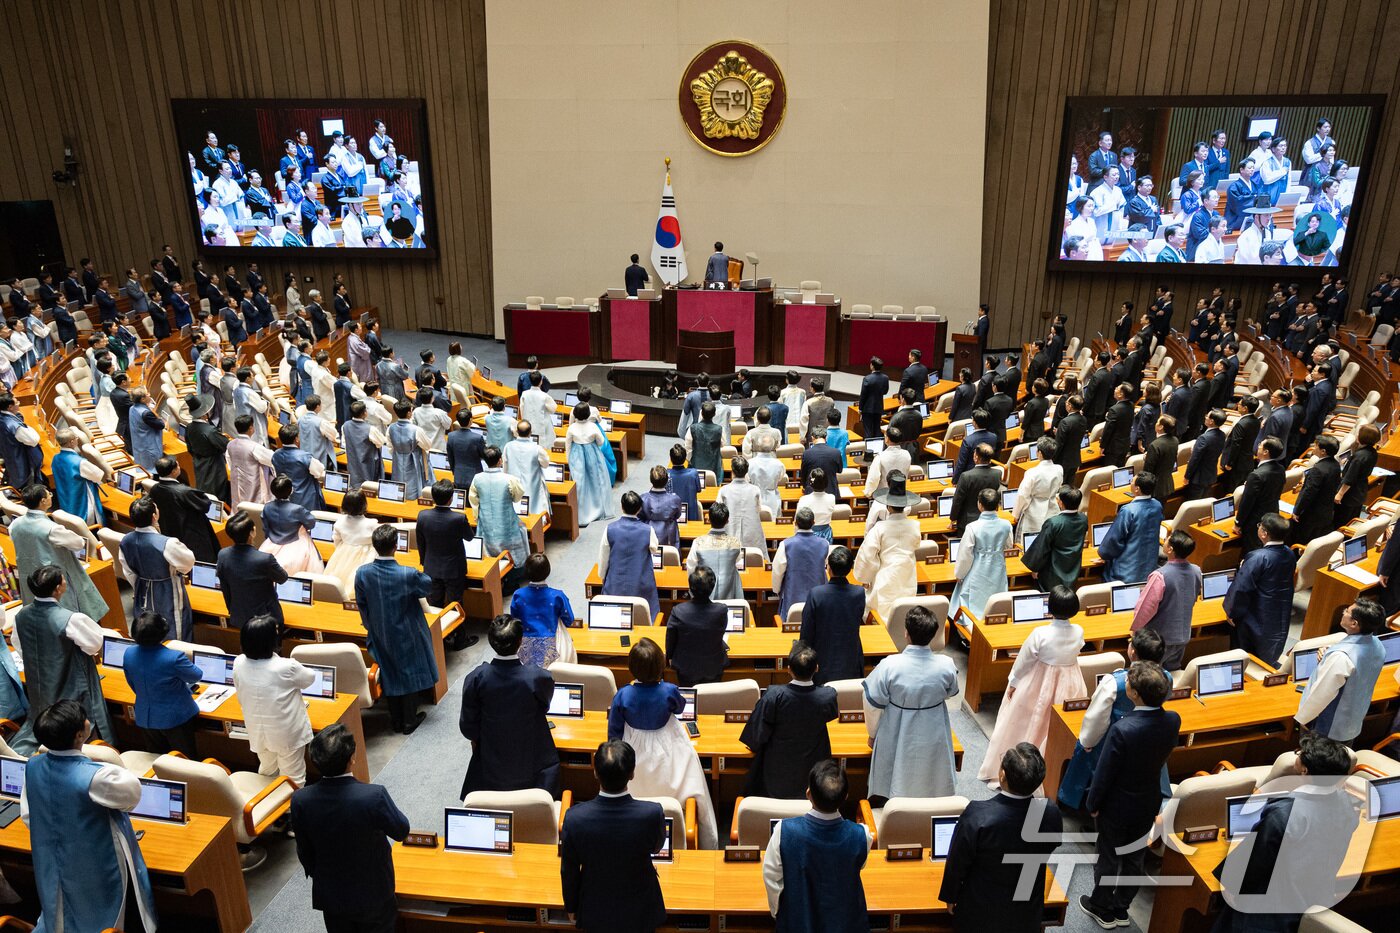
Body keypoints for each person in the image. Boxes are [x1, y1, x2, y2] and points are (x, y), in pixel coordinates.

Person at [21, 699, 157, 933]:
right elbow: (131, 794)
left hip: (51, 859)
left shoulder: (32, 766)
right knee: (104, 918)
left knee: (63, 913)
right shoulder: (96, 777)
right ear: (79, 736)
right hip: (94, 862)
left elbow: (28, 816)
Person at [1081, 662, 1180, 929]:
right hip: (1148, 799)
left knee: (1110, 855)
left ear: (1134, 694)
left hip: (1118, 803)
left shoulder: (1123, 729)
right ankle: (1122, 907)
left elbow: (1104, 773)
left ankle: (1101, 906)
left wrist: (1093, 803)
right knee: (1135, 856)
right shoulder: (1173, 720)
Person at [291, 725, 409, 933]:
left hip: (331, 894)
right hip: (373, 892)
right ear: (352, 758)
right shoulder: (373, 796)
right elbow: (401, 831)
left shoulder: (301, 799)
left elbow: (304, 850)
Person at [607, 638, 719, 847]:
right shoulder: (669, 690)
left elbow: (614, 732)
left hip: (635, 751)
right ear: (661, 665)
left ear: (631, 667)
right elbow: (680, 707)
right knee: (692, 781)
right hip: (669, 748)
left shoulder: (622, 695)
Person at [941, 744, 1064, 933]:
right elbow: (1051, 845)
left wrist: (950, 896)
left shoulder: (979, 814)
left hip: (980, 909)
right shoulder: (1050, 812)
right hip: (1026, 908)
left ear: (1002, 775)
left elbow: (958, 861)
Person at [977, 585, 1085, 784]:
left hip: (1040, 680)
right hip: (1069, 682)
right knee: (1050, 725)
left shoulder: (1040, 633)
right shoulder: (1078, 631)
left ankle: (1019, 765)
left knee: (1026, 719)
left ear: (1049, 608)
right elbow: (1077, 649)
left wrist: (1013, 682)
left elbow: (1023, 661)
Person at [559, 740, 667, 933]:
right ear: (632, 773)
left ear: (595, 772)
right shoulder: (652, 813)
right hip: (641, 908)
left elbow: (569, 870)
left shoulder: (574, 818)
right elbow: (656, 847)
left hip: (595, 908)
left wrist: (572, 907)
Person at [1057, 629, 1167, 812]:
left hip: (1110, 743)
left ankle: (1082, 805)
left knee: (1086, 753)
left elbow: (1096, 720)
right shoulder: (1166, 678)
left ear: (1132, 652)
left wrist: (1087, 741)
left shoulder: (1114, 682)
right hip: (1147, 740)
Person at [763, 759, 870, 933]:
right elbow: (858, 864)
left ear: (808, 793)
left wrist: (779, 913)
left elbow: (772, 877)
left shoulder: (783, 831)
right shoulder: (862, 834)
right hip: (846, 924)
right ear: (846, 797)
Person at [863, 606, 959, 801]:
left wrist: (873, 733)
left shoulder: (889, 665)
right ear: (933, 635)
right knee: (931, 770)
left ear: (906, 633)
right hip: (933, 725)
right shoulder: (947, 664)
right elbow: (950, 692)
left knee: (897, 771)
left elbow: (872, 703)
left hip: (896, 725)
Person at [460, 614, 560, 796]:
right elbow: (545, 706)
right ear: (521, 641)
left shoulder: (476, 678)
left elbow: (468, 728)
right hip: (533, 762)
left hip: (490, 765)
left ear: (490, 641)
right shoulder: (538, 677)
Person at [355, 524, 438, 734]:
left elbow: (362, 603)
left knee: (389, 671)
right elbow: (427, 586)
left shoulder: (362, 573)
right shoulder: (407, 574)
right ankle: (409, 721)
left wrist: (371, 626)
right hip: (407, 630)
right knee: (408, 672)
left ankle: (396, 720)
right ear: (396, 546)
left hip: (379, 631)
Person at [739, 643, 838, 798]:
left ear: (789, 669)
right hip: (815, 779)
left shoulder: (773, 696)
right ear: (816, 668)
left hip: (775, 780)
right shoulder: (828, 697)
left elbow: (754, 739)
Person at [233, 614, 315, 787]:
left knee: (267, 772)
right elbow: (309, 679)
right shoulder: (286, 667)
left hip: (257, 729)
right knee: (293, 779)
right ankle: (290, 811)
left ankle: (268, 804)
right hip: (286, 733)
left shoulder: (239, 662)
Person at [1295, 598, 1387, 744]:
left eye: (1347, 611)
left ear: (1354, 623)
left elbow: (1321, 694)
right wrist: (1329, 654)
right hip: (1353, 720)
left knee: (1315, 764)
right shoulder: (1378, 645)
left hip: (1328, 727)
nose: (1343, 612)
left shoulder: (1341, 657)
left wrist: (1304, 719)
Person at [11, 484, 110, 621]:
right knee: (65, 615)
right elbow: (79, 544)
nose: (51, 496)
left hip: (30, 576)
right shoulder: (52, 529)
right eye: (49, 494)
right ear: (43, 501)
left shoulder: (15, 524)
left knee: (41, 614)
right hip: (52, 578)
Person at [122, 611, 202, 758]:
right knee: (185, 761)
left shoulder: (128, 653)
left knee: (159, 760)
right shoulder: (173, 658)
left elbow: (132, 683)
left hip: (145, 716)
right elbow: (196, 675)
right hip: (175, 719)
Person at [118, 496, 197, 642]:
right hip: (167, 589)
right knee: (174, 627)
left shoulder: (126, 541)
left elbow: (128, 571)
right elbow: (188, 563)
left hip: (142, 588)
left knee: (146, 625)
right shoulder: (167, 543)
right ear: (154, 516)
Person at [1223, 512, 1296, 667]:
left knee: (1241, 654)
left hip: (1255, 615)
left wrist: (1231, 611)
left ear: (1264, 533)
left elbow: (1242, 588)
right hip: (1278, 611)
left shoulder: (1258, 557)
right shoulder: (1289, 554)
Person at [1123, 530, 1200, 672]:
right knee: (1172, 672)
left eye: (1166, 540)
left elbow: (1146, 608)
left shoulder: (1160, 576)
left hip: (1158, 640)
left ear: (1170, 549)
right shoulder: (1196, 571)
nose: (1163, 541)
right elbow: (1193, 598)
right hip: (1182, 635)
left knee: (1149, 674)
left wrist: (1136, 631)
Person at [853, 472, 920, 621]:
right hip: (907, 574)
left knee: (883, 615)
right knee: (905, 613)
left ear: (888, 505)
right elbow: (916, 545)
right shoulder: (915, 526)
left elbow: (868, 556)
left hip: (886, 574)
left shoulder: (880, 528)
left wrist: (866, 577)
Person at [217, 511, 289, 631]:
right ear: (252, 532)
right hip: (266, 620)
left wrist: (232, 611)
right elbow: (283, 578)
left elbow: (225, 588)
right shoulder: (265, 559)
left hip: (239, 616)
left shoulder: (222, 555)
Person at [597, 490, 661, 622]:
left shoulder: (609, 529)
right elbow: (655, 549)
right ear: (639, 509)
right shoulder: (648, 530)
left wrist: (603, 577)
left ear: (621, 506)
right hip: (640, 584)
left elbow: (604, 557)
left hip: (615, 584)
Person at [950, 488, 1012, 621]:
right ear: (998, 505)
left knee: (973, 602)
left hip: (978, 569)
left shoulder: (973, 527)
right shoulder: (1006, 525)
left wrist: (959, 574)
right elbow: (1009, 545)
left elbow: (965, 556)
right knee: (996, 598)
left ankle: (970, 631)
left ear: (980, 505)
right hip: (998, 568)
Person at [665, 566, 729, 687]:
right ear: (712, 587)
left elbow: (670, 640)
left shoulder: (678, 611)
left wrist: (669, 657)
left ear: (690, 587)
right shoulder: (721, 611)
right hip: (714, 667)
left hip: (685, 669)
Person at [470, 445, 531, 572]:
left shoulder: (477, 478)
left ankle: (491, 571)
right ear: (500, 461)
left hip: (486, 520)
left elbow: (474, 500)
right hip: (506, 521)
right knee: (512, 546)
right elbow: (517, 497)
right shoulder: (510, 479)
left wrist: (477, 516)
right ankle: (514, 573)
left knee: (488, 545)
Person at [148, 456, 220, 562]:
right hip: (191, 536)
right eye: (177, 465)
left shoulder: (155, 489)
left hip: (169, 532)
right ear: (173, 471)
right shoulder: (184, 492)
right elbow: (205, 505)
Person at [1097, 471, 1164, 583]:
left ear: (1137, 489)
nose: (1130, 482)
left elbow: (1114, 540)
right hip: (1149, 566)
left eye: (1132, 481)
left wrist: (1104, 554)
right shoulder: (1157, 505)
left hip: (1126, 572)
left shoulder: (1128, 510)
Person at [770, 508, 828, 623]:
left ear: (795, 523)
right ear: (814, 524)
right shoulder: (824, 543)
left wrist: (776, 589)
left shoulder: (785, 544)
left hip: (792, 594)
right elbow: (826, 567)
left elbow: (777, 571)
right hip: (818, 595)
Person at [259, 475, 325, 576]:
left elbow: (266, 529)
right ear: (291, 491)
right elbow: (311, 523)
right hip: (297, 547)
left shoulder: (267, 507)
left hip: (270, 545)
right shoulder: (297, 509)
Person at [322, 491, 378, 598]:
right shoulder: (372, 524)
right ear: (364, 504)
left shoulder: (339, 522)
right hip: (367, 555)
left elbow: (336, 540)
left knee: (340, 580)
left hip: (344, 553)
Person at [568, 402, 616, 526]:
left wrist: (569, 459)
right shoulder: (593, 427)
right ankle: (598, 508)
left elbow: (567, 445)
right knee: (596, 481)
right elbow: (601, 442)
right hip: (593, 454)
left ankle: (582, 513)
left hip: (577, 456)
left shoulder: (572, 427)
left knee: (580, 483)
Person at [1236, 438, 1287, 552]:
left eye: (1260, 445)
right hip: (1272, 514)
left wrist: (1238, 523)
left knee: (1252, 551)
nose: (1258, 446)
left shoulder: (1256, 475)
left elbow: (1247, 502)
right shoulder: (1281, 468)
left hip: (1255, 521)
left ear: (1266, 452)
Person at [1290, 434, 1342, 544]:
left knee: (1301, 541)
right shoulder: (1336, 464)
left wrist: (1297, 511)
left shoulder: (1318, 470)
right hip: (1326, 511)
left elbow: (1308, 493)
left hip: (1312, 514)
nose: (1314, 448)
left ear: (1323, 451)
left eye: (1316, 446)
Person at [50, 425, 108, 524]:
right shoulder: (79, 462)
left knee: (71, 522)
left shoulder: (55, 458)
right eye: (76, 438)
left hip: (65, 497)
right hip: (80, 501)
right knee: (83, 524)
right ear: (72, 442)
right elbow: (99, 475)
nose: (77, 439)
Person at [950, 443, 1001, 534]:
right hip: (990, 519)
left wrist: (953, 519)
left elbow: (958, 500)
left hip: (968, 521)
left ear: (976, 458)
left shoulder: (966, 476)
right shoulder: (997, 474)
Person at [1335, 423, 1380, 526]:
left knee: (1341, 522)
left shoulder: (1359, 456)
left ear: (1362, 437)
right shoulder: (1373, 452)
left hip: (1349, 495)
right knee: (1352, 520)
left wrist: (1340, 494)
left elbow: (1350, 478)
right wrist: (1349, 463)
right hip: (1360, 492)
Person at [1181, 408, 1227, 500]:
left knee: (1193, 503)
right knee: (1203, 499)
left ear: (1211, 421)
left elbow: (1195, 459)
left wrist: (1187, 476)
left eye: (1207, 416)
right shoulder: (1222, 435)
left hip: (1198, 478)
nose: (1205, 417)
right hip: (1211, 475)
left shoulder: (1204, 438)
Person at [858, 356, 889, 441]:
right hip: (879, 406)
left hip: (867, 408)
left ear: (872, 366)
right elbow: (885, 391)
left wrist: (860, 408)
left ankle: (869, 450)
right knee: (877, 429)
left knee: (868, 430)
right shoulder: (885, 378)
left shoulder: (867, 378)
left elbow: (863, 395)